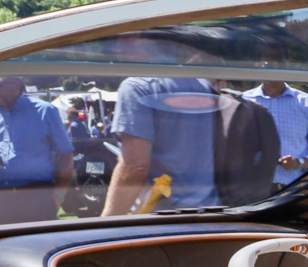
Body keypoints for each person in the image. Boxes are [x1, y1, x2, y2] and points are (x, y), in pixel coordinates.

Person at [102, 77, 279, 215]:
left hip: (161, 219)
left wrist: (107, 222)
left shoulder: (138, 86)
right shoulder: (201, 86)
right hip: (211, 213)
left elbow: (135, 167)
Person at [0, 76, 74, 225]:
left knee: (40, 247)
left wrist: (58, 195)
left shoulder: (45, 111)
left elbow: (65, 155)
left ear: (17, 85)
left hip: (38, 197)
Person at [243, 78, 308, 187]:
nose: (272, 68)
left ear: (287, 64)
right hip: (250, 189)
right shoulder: (244, 101)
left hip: (290, 191)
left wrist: (298, 162)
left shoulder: (307, 103)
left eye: (277, 62)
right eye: (267, 63)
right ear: (258, 65)